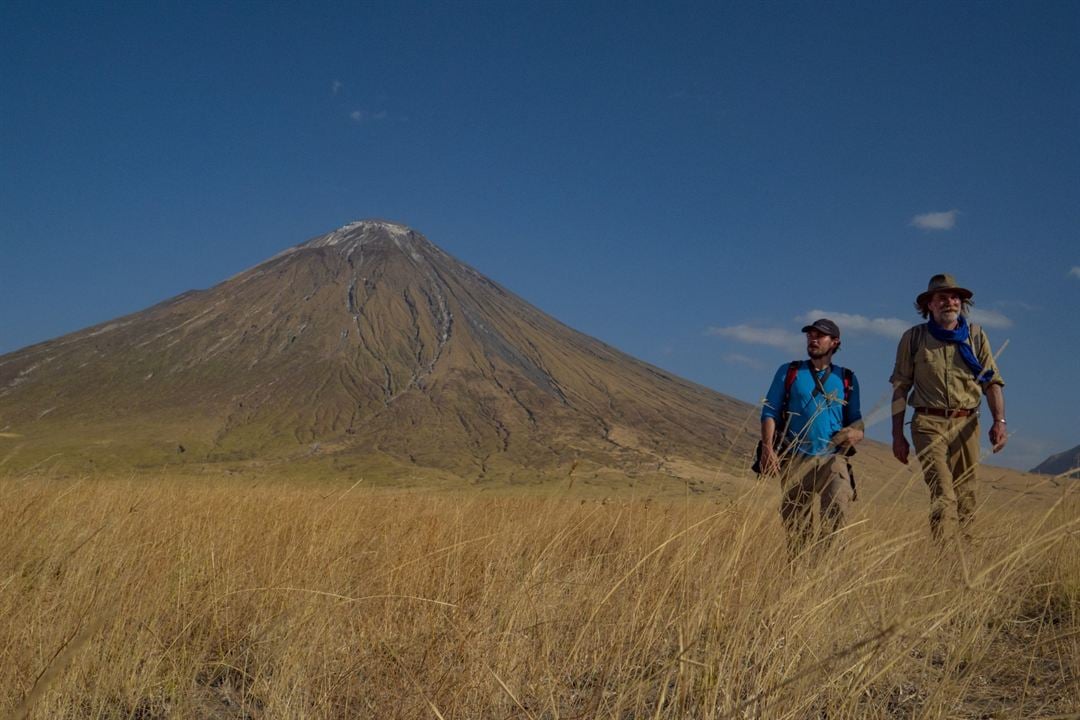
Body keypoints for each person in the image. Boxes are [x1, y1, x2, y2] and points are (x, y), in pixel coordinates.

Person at [890, 273, 1007, 544]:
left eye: (955, 298)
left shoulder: (976, 336)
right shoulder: (914, 338)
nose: (950, 303)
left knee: (966, 492)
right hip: (927, 423)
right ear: (929, 305)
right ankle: (943, 556)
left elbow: (992, 382)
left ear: (962, 304)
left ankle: (965, 555)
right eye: (942, 298)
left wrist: (999, 421)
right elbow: (900, 388)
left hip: (967, 423)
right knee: (943, 492)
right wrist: (897, 435)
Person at [760, 318, 864, 556]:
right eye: (810, 335)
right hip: (795, 457)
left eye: (820, 336)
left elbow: (856, 419)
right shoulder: (790, 371)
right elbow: (769, 411)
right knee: (797, 524)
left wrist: (857, 433)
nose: (813, 339)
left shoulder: (847, 378)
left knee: (838, 512)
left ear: (835, 342)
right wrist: (768, 449)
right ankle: (800, 575)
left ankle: (825, 569)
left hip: (833, 458)